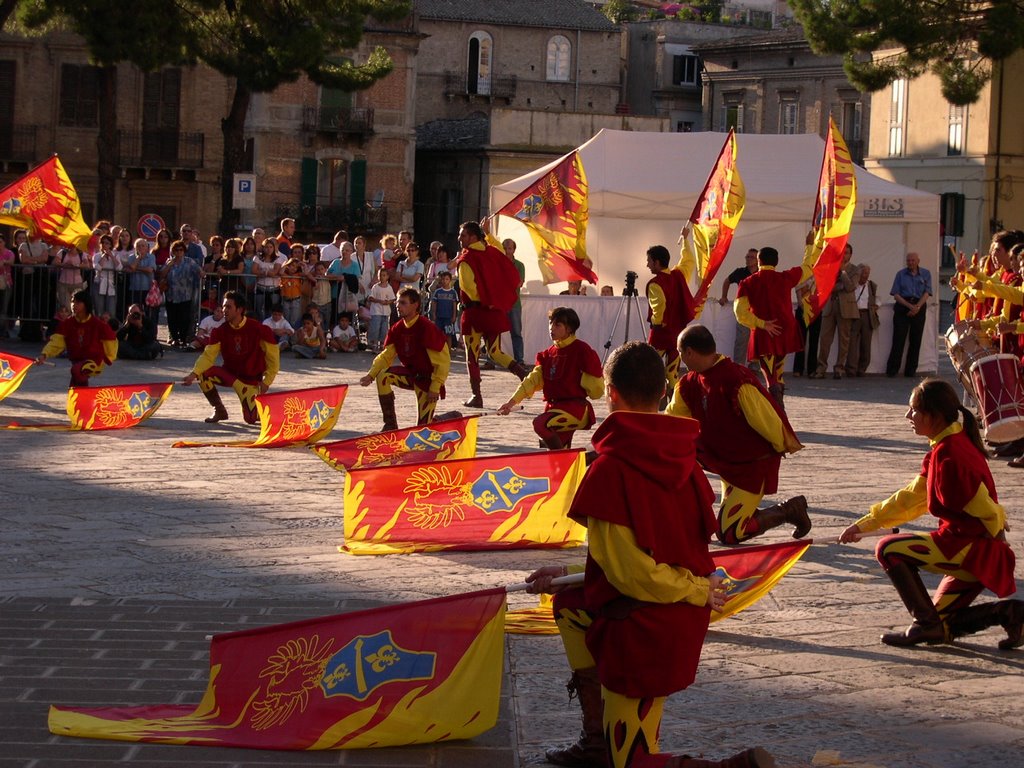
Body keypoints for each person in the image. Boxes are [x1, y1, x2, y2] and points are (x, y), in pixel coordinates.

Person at [526, 341, 772, 768]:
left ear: (610, 393)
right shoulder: (690, 464)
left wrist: (696, 590)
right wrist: (567, 572)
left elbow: (633, 574)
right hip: (675, 616)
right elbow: (637, 556)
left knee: (635, 764)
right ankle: (597, 741)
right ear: (663, 393)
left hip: (646, 625)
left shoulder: (610, 469)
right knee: (569, 605)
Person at [839, 378, 1020, 649]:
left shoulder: (951, 456)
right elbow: (912, 497)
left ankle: (924, 625)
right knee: (941, 626)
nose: (908, 416)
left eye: (914, 410)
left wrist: (996, 543)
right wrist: (865, 525)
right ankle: (1009, 613)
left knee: (888, 549)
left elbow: (988, 511)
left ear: (934, 415)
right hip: (972, 547)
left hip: (968, 548)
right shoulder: (947, 445)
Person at [669, 325, 810, 544]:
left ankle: (789, 511)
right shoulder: (689, 384)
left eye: (679, 353)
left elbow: (767, 419)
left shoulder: (735, 380)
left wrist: (781, 443)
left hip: (751, 466)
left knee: (730, 532)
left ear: (689, 352)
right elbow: (672, 421)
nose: (680, 359)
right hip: (724, 462)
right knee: (675, 454)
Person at [497, 307, 603, 449]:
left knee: (541, 424)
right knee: (556, 461)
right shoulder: (548, 354)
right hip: (554, 409)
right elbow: (531, 381)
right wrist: (510, 403)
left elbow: (596, 390)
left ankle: (586, 456)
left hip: (575, 410)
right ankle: (584, 458)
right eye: (550, 323)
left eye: (557, 325)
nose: (551, 328)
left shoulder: (582, 350)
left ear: (569, 328)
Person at [734, 233, 816, 406]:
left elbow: (740, 312)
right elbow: (808, 266)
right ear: (776, 261)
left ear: (758, 261)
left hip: (764, 331)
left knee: (768, 369)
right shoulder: (785, 277)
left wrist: (762, 324)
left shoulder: (748, 282)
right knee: (778, 368)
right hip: (785, 328)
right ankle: (779, 399)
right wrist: (809, 245)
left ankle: (775, 395)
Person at [457, 221, 531, 408]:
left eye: (463, 235)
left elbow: (468, 287)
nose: (460, 238)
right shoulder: (493, 252)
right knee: (495, 351)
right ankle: (523, 374)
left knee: (472, 356)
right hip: (493, 311)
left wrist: (481, 301)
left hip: (475, 312)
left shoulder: (466, 259)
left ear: (473, 237)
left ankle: (477, 396)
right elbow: (504, 260)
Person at [359, 287, 451, 431]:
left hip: (427, 381)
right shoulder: (397, 328)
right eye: (397, 303)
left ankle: (446, 418)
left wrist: (436, 386)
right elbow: (386, 356)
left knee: (422, 430)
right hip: (411, 375)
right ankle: (390, 425)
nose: (398, 306)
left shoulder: (426, 327)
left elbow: (443, 361)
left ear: (415, 305)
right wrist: (371, 374)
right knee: (382, 376)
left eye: (403, 303)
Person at [182, 290, 280, 424]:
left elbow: (273, 358)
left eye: (228, 307)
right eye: (223, 306)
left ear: (239, 309)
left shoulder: (258, 329)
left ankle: (262, 408)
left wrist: (266, 382)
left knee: (251, 419)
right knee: (203, 374)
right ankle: (219, 409)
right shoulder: (220, 331)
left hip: (250, 379)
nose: (224, 310)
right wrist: (193, 374)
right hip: (230, 374)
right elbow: (208, 356)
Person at [35, 289, 117, 387]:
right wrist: (44, 355)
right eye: (72, 302)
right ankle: (80, 400)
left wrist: (108, 358)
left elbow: (111, 341)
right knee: (74, 383)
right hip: (77, 361)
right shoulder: (67, 324)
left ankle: (83, 398)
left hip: (94, 361)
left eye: (78, 302)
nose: (74, 305)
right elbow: (56, 342)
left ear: (86, 304)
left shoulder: (98, 324)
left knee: (77, 371)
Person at [646, 243, 695, 393]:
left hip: (661, 333)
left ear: (657, 262)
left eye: (649, 261)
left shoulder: (655, 284)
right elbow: (689, 260)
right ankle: (672, 396)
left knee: (649, 364)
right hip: (678, 333)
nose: (647, 264)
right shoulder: (678, 274)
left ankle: (655, 394)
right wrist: (685, 241)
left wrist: (657, 322)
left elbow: (659, 306)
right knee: (673, 369)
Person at [812, 243, 857, 379]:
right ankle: (821, 368)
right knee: (825, 339)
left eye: (847, 253)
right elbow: (825, 286)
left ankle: (839, 368)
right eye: (843, 252)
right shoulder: (829, 267)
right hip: (830, 306)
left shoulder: (855, 269)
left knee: (844, 340)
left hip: (846, 308)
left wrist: (842, 272)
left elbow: (850, 287)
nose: (844, 255)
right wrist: (839, 286)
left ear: (850, 255)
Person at [885, 252, 932, 377]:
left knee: (916, 340)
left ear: (918, 261)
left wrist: (917, 307)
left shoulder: (926, 274)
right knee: (898, 339)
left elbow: (927, 292)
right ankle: (892, 369)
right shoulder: (900, 274)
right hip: (903, 305)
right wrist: (909, 306)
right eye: (908, 261)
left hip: (919, 305)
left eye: (912, 260)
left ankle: (911, 370)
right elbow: (895, 294)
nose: (910, 263)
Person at [719, 248, 758, 368]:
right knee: (742, 340)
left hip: (758, 311)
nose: (748, 259)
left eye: (751, 257)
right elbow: (727, 281)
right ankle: (739, 366)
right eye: (747, 257)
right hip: (743, 313)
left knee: (757, 340)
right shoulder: (740, 272)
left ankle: (754, 366)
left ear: (757, 260)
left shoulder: (762, 273)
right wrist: (723, 296)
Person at [160, 239, 202, 349]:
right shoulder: (169, 261)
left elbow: (199, 271)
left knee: (184, 318)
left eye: (181, 250)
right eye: (176, 250)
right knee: (172, 318)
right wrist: (169, 265)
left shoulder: (189, 261)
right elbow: (162, 274)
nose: (178, 252)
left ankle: (183, 339)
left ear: (184, 251)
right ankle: (174, 338)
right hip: (171, 294)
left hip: (185, 294)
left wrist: (200, 274)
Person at [844, 264, 879, 376]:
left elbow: (877, 299)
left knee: (866, 343)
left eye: (867, 273)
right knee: (852, 344)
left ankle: (862, 369)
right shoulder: (852, 285)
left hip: (867, 315)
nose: (865, 276)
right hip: (854, 314)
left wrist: (876, 306)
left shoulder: (872, 285)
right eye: (864, 273)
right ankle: (851, 369)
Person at [503, 238, 527, 365]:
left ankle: (519, 360)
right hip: (500, 303)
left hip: (514, 303)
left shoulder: (519, 265)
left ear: (514, 250)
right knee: (494, 333)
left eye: (509, 248)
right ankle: (491, 359)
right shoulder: (498, 263)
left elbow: (519, 283)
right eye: (505, 248)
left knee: (516, 332)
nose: (507, 251)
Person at [366, 267, 396, 353]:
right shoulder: (375, 287)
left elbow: (392, 298)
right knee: (375, 327)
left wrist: (388, 302)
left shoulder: (389, 287)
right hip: (376, 311)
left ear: (387, 276)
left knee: (384, 329)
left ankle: (383, 344)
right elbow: (371, 297)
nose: (382, 277)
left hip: (385, 312)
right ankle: (374, 344)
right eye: (380, 275)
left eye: (384, 275)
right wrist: (379, 301)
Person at [430, 271, 459, 350]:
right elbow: (434, 303)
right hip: (439, 317)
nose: (444, 281)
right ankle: (437, 349)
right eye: (443, 279)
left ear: (450, 280)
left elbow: (454, 305)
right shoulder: (437, 292)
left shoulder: (453, 292)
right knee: (437, 333)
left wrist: (454, 316)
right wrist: (434, 314)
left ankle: (448, 350)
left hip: (448, 318)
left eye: (447, 279)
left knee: (448, 334)